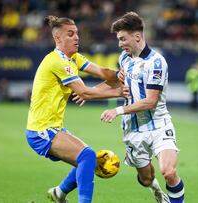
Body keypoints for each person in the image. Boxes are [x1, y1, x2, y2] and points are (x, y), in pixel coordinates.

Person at [25, 15, 128, 203]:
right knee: (87, 157)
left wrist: (119, 74)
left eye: (77, 34)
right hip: (41, 130)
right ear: (58, 39)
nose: (76, 38)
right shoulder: (57, 61)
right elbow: (84, 93)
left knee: (87, 162)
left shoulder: (73, 58)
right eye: (70, 34)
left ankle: (59, 193)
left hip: (52, 128)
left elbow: (102, 72)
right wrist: (120, 92)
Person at [100, 12, 185, 203]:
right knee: (146, 179)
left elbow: (150, 101)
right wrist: (87, 92)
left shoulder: (156, 62)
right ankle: (155, 190)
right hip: (133, 129)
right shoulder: (124, 58)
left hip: (158, 124)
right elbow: (120, 81)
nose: (120, 44)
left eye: (123, 39)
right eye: (119, 39)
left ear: (137, 36)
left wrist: (117, 111)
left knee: (168, 172)